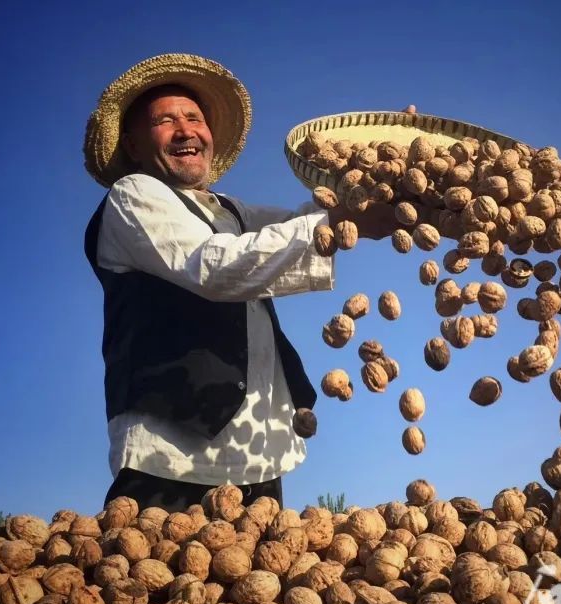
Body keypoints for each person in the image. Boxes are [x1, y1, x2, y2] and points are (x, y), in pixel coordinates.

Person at [83, 53, 413, 511]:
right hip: (172, 459)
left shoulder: (232, 211)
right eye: (164, 120)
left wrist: (396, 179)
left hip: (258, 455)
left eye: (194, 118)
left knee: (262, 575)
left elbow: (313, 223)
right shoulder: (133, 197)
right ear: (134, 146)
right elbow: (215, 266)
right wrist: (335, 220)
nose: (185, 130)